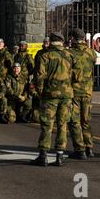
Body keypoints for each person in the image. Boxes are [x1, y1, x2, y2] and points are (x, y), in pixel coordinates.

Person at [32, 32, 75, 167]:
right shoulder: (69, 55)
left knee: (47, 125)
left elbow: (40, 77)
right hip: (66, 95)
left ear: (51, 41)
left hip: (50, 95)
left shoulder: (45, 55)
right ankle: (60, 155)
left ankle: (43, 155)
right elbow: (73, 75)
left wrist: (40, 93)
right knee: (62, 125)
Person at [69, 28, 97, 159]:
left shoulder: (69, 53)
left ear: (73, 38)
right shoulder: (91, 53)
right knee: (85, 121)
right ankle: (89, 147)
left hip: (74, 92)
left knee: (75, 122)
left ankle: (80, 150)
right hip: (87, 92)